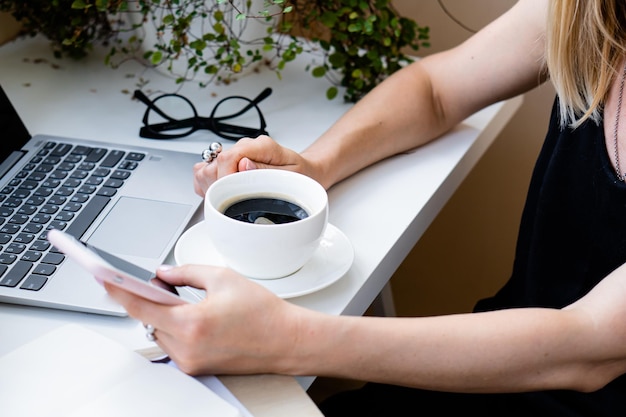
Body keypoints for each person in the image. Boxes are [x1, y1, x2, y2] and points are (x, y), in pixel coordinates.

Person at [105, 0, 626, 415]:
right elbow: (437, 90)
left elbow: (586, 347)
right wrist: (314, 167)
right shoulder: (588, 11)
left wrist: (284, 340)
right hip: (502, 372)